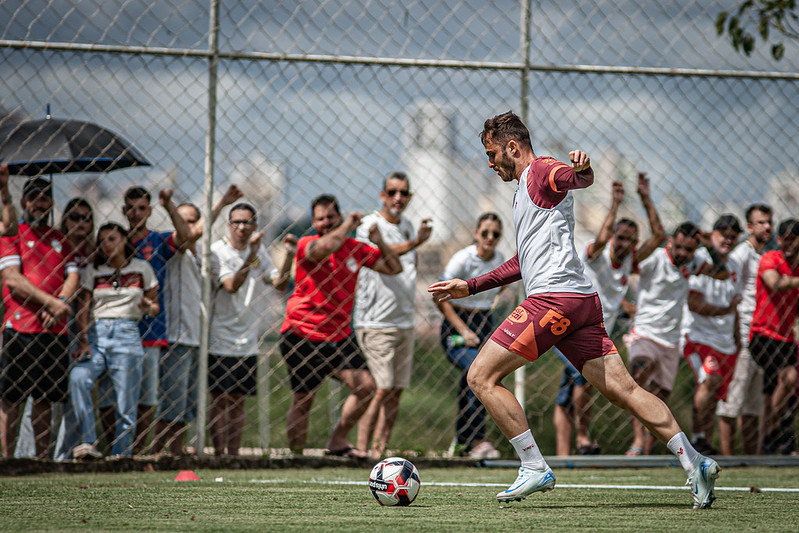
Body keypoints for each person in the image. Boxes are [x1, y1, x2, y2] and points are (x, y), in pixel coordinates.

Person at [428, 111, 719, 509]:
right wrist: (471, 285)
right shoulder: (524, 190)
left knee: (480, 376)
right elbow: (522, 261)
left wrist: (582, 170)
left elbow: (574, 178)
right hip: (581, 302)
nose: (490, 162)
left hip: (553, 300)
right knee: (626, 391)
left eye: (493, 153)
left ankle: (533, 465)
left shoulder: (541, 170)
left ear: (513, 147)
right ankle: (696, 462)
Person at [280, 194, 401, 458]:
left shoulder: (355, 249)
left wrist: (380, 242)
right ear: (313, 222)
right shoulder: (307, 244)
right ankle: (297, 455)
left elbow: (394, 267)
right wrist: (346, 225)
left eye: (330, 217)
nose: (325, 223)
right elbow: (324, 249)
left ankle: (337, 441)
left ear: (338, 215)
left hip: (338, 334)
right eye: (320, 219)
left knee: (367, 387)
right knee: (304, 399)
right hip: (302, 332)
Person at [553, 173, 665, 456]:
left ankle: (568, 453)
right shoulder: (595, 253)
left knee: (567, 396)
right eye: (620, 237)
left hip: (597, 331)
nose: (623, 244)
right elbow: (601, 240)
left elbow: (660, 237)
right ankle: (582, 439)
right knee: (584, 378)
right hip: (571, 325)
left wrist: (645, 199)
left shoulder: (629, 260)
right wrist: (615, 204)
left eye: (630, 240)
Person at [151, 185, 243, 456]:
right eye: (182, 221)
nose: (187, 227)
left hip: (199, 337)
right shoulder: (172, 249)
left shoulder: (206, 255)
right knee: (172, 401)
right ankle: (157, 450)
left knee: (188, 404)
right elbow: (190, 235)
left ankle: (176, 449)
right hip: (176, 334)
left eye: (192, 220)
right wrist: (223, 202)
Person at [353, 171, 432, 459]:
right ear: (382, 195)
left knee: (396, 390)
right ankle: (362, 450)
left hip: (404, 319)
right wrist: (416, 243)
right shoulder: (369, 225)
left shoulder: (409, 226)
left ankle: (379, 450)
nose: (398, 198)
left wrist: (415, 242)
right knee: (381, 387)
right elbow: (378, 257)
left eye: (404, 193)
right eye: (392, 192)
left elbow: (410, 266)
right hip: (375, 320)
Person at [623, 222, 718, 456]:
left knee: (660, 397)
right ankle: (636, 441)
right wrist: (625, 305)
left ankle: (646, 450)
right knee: (639, 378)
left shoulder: (693, 263)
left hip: (671, 339)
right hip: (644, 332)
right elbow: (629, 268)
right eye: (680, 247)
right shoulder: (656, 258)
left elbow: (722, 273)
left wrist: (710, 247)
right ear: (670, 241)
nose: (683, 253)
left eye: (690, 249)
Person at [0, 176, 77, 458]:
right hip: (21, 327)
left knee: (47, 398)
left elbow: (73, 275)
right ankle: (8, 460)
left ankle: (41, 458)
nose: (38, 204)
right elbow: (12, 279)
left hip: (54, 331)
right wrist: (52, 303)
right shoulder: (12, 234)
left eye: (44, 198)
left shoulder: (60, 239)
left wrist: (63, 302)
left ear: (51, 203)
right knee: (11, 398)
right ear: (24, 202)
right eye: (33, 198)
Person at [209, 202, 294, 456]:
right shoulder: (218, 252)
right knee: (219, 399)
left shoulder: (260, 253)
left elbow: (279, 284)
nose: (242, 227)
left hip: (247, 338)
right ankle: (218, 455)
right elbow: (231, 285)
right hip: (219, 336)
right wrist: (251, 256)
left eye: (247, 222)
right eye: (236, 222)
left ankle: (233, 456)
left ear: (255, 226)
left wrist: (289, 254)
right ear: (228, 225)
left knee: (237, 400)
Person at [69, 223, 159, 458]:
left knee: (126, 401)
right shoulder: (94, 271)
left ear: (124, 240)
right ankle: (89, 442)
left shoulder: (142, 269)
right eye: (103, 241)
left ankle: (121, 454)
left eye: (112, 239)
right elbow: (84, 309)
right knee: (79, 378)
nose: (107, 245)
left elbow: (155, 306)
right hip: (98, 332)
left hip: (127, 332)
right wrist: (84, 340)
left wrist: (147, 307)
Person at [119, 186, 191, 453]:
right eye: (130, 207)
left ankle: (137, 450)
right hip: (116, 329)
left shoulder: (158, 241)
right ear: (123, 210)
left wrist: (169, 205)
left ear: (149, 210)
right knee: (117, 396)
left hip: (150, 331)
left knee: (147, 398)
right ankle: (118, 448)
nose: (135, 213)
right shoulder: (114, 240)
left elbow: (185, 238)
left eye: (141, 208)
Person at [435, 212, 506, 459]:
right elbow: (439, 297)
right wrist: (463, 330)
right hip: (457, 322)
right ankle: (476, 439)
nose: (489, 238)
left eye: (495, 234)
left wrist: (493, 303)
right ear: (476, 233)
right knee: (477, 372)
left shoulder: (499, 260)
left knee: (480, 376)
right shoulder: (462, 259)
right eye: (485, 233)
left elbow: (505, 283)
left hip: (485, 320)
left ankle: (465, 438)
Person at [683, 215, 743, 455]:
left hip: (726, 341)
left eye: (733, 235)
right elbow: (694, 303)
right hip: (699, 337)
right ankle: (697, 438)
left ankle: (706, 442)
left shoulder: (735, 266)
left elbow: (735, 306)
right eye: (723, 233)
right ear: (712, 234)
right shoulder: (700, 259)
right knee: (708, 382)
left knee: (714, 395)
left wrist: (737, 340)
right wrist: (725, 310)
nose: (728, 238)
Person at [716, 204, 773, 455]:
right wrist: (736, 335)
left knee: (753, 406)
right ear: (749, 227)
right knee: (732, 402)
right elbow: (733, 293)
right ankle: (728, 459)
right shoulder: (741, 254)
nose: (767, 227)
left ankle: (751, 457)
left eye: (769, 222)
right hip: (744, 335)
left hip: (763, 336)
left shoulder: (766, 255)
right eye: (761, 222)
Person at [749, 218, 799, 455]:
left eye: (793, 239)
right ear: (779, 240)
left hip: (787, 338)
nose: (788, 244)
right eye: (785, 239)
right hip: (763, 335)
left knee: (773, 394)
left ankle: (769, 443)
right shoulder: (771, 258)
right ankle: (773, 430)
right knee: (789, 378)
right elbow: (775, 283)